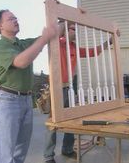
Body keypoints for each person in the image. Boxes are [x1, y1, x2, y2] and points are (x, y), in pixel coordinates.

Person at [0, 9, 62, 163]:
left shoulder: (23, 44)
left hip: (26, 100)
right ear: (0, 25)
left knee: (20, 152)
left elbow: (53, 33)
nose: (16, 20)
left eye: (16, 17)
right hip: (7, 100)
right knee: (5, 154)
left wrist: (59, 13)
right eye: (11, 19)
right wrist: (43, 39)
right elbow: (21, 62)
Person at [43, 22, 120, 163]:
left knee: (71, 119)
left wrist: (109, 41)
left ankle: (67, 150)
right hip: (56, 88)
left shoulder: (73, 47)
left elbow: (93, 51)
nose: (75, 32)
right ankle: (48, 157)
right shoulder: (56, 43)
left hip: (69, 87)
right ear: (65, 31)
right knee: (53, 123)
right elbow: (56, 33)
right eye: (72, 29)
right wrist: (63, 21)